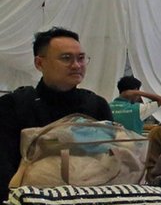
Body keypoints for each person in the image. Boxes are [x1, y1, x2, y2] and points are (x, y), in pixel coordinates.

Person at [0, 27, 113, 187]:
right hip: (31, 202)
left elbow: (110, 161)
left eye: (81, 58)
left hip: (89, 201)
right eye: (66, 58)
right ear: (39, 63)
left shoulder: (97, 106)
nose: (76, 65)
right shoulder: (13, 105)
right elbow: (4, 165)